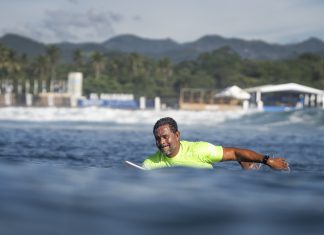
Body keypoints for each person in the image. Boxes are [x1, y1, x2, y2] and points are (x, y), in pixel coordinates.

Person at [142, 117, 289, 170]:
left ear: (177, 135)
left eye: (165, 137)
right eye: (157, 139)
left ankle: (249, 168)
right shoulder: (150, 164)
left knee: (243, 163)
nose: (161, 142)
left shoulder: (199, 150)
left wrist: (269, 161)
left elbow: (234, 152)